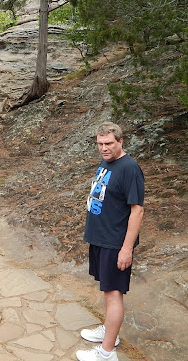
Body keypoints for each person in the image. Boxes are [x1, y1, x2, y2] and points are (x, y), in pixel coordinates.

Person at [76, 122, 145, 361]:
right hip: (100, 238)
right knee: (106, 291)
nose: (104, 148)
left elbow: (137, 211)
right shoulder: (108, 162)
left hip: (115, 242)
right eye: (100, 144)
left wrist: (126, 249)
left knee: (113, 293)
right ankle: (109, 333)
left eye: (109, 144)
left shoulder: (129, 168)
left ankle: (106, 354)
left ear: (120, 142)